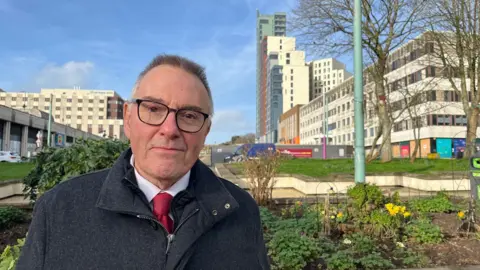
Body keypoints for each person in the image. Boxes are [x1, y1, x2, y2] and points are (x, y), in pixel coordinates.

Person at [16, 54, 270, 270]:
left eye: (190, 115)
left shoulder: (242, 211)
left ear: (205, 131)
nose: (169, 129)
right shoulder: (59, 209)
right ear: (128, 118)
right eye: (153, 109)